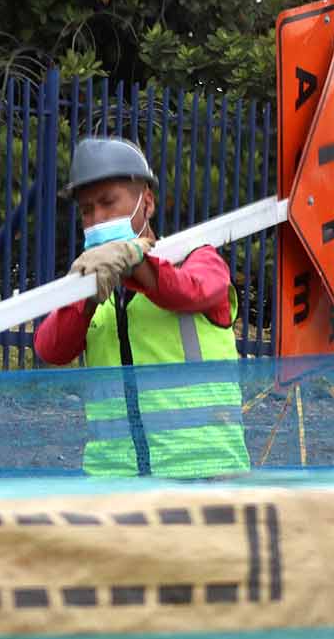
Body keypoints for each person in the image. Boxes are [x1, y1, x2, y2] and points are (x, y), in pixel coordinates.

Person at [34, 136, 250, 478]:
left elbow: (191, 291)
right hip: (113, 480)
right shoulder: (95, 282)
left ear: (146, 203)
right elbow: (51, 348)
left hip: (204, 474)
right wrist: (85, 299)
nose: (97, 219)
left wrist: (137, 264)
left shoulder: (197, 258)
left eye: (108, 203)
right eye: (87, 211)